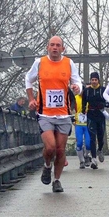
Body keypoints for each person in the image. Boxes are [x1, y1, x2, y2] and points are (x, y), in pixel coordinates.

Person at [25, 36, 82, 192]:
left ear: (63, 48)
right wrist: (31, 99)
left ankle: (56, 180)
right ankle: (47, 166)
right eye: (52, 45)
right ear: (47, 47)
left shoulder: (69, 63)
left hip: (63, 114)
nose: (55, 47)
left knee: (60, 150)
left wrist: (77, 87)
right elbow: (28, 79)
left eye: (58, 45)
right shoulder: (40, 62)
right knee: (50, 147)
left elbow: (78, 82)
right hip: (45, 114)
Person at [82, 71, 108, 169]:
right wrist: (83, 109)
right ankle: (93, 159)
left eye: (95, 80)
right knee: (92, 138)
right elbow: (84, 101)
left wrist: (107, 104)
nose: (94, 82)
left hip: (100, 115)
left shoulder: (103, 90)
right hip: (91, 115)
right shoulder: (87, 91)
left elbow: (108, 100)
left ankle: (100, 149)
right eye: (92, 80)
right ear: (90, 80)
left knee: (100, 137)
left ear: (98, 80)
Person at [74, 93, 91, 169]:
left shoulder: (89, 98)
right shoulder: (75, 98)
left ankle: (86, 155)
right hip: (78, 124)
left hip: (88, 125)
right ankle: (81, 161)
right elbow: (72, 109)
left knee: (88, 143)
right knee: (79, 143)